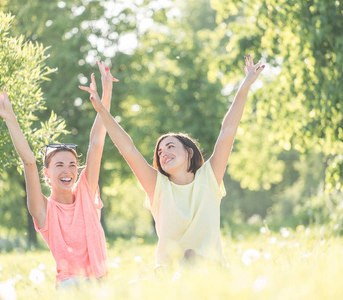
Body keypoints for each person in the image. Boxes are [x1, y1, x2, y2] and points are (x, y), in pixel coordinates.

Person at [80, 55, 265, 276]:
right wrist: (102, 109)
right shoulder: (158, 187)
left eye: (170, 147)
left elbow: (227, 132)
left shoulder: (209, 177)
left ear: (189, 152)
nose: (163, 153)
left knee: (190, 257)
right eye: (159, 152)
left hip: (212, 273)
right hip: (168, 275)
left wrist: (244, 87)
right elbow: (128, 149)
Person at [0, 61, 118, 288]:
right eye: (60, 165)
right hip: (70, 284)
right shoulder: (43, 210)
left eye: (73, 165)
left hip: (102, 283)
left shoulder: (86, 191)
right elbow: (28, 162)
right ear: (47, 173)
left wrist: (106, 95)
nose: (68, 171)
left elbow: (96, 142)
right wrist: (10, 118)